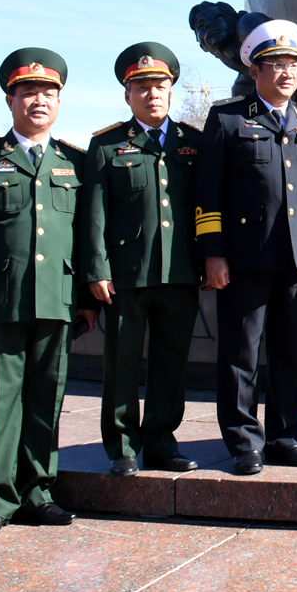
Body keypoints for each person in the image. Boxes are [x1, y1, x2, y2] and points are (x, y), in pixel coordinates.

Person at [0, 48, 97, 540]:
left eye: (49, 93)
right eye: (29, 92)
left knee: (46, 397)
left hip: (55, 300)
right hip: (0, 302)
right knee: (2, 401)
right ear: (10, 99)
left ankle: (39, 493)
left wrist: (86, 301)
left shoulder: (73, 161)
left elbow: (84, 236)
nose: (39, 100)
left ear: (59, 101)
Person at [195, 19, 297, 474]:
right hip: (245, 257)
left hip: (296, 257)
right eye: (276, 65)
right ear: (255, 71)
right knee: (241, 352)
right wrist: (213, 253)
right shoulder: (228, 119)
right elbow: (208, 193)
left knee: (289, 352)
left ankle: (286, 436)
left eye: (293, 65)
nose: (287, 73)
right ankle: (243, 440)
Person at [83, 42, 203, 476]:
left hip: (181, 272)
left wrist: (207, 260)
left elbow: (205, 210)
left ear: (172, 91)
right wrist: (96, 270)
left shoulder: (194, 143)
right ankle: (122, 446)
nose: (153, 93)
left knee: (171, 363)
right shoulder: (107, 145)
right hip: (125, 276)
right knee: (122, 364)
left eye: (161, 85)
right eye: (142, 86)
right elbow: (93, 216)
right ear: (127, 94)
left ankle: (161, 441)